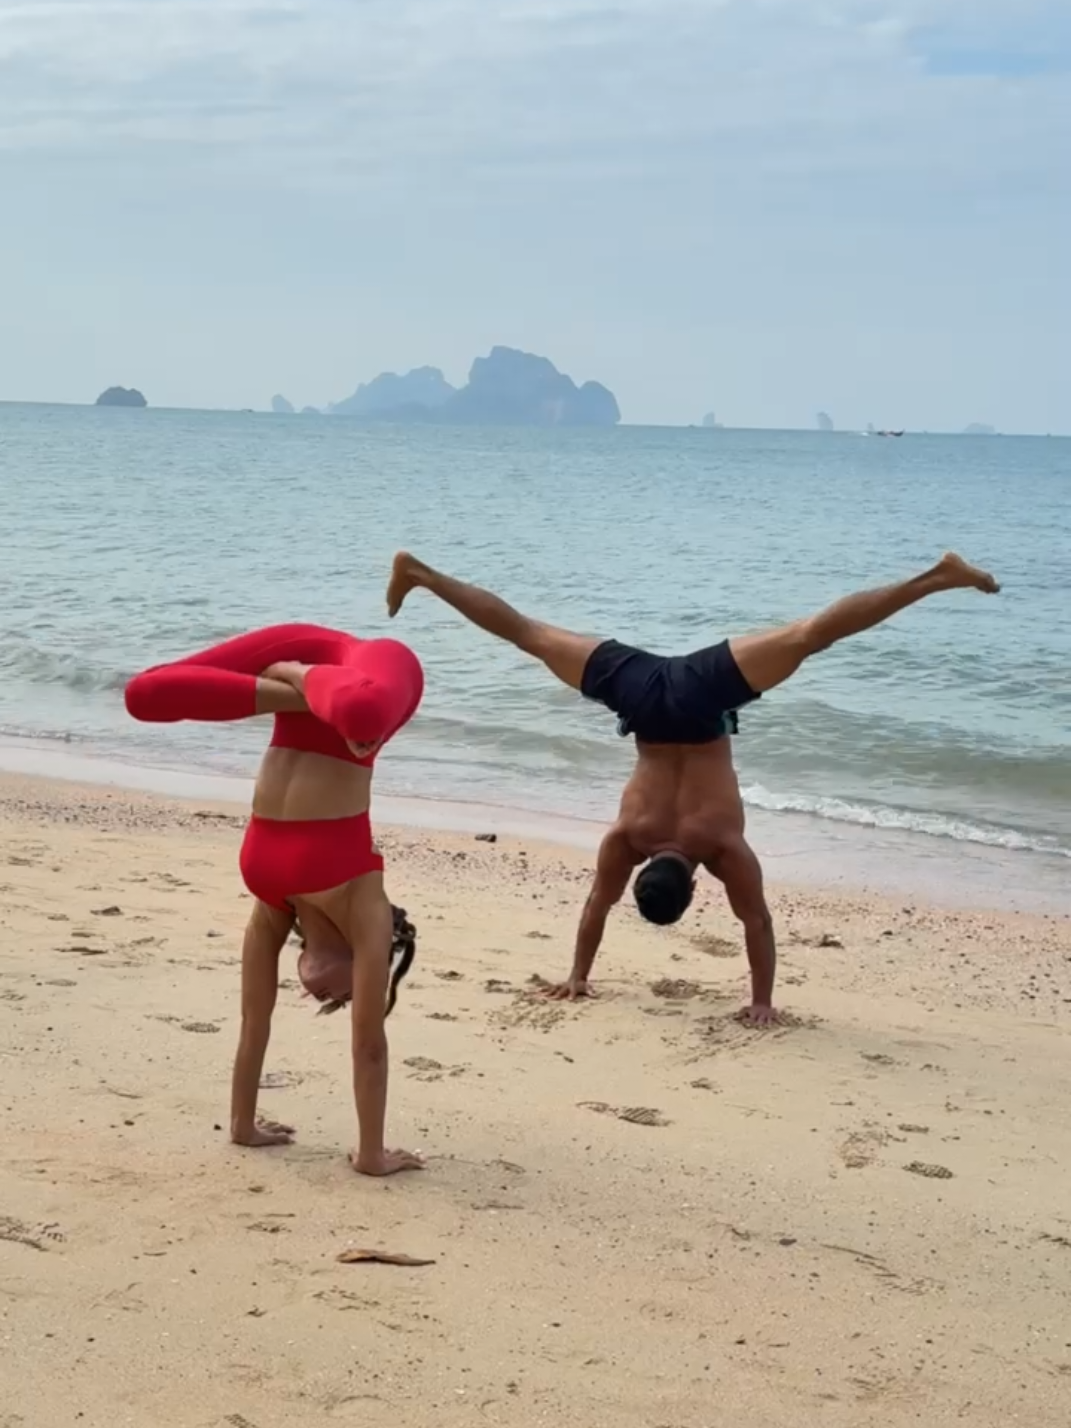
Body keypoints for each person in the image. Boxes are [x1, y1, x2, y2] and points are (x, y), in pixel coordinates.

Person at [385, 551, 1000, 1024]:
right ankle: (422, 574)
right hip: (647, 696)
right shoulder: (627, 839)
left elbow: (756, 922)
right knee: (528, 632)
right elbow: (597, 904)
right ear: (647, 874)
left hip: (705, 702)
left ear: (695, 886)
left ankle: (938, 577)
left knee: (811, 637)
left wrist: (763, 1002)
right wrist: (576, 974)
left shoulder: (722, 848)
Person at [125, 623, 426, 1175]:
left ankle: (302, 692)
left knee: (142, 696)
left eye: (333, 1004)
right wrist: (372, 1155)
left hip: (322, 681)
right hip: (374, 676)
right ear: (370, 962)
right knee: (363, 717)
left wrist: (243, 1125)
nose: (329, 1001)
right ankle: (301, 684)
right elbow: (371, 1047)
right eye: (342, 997)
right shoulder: (366, 905)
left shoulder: (272, 903)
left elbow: (253, 1020)